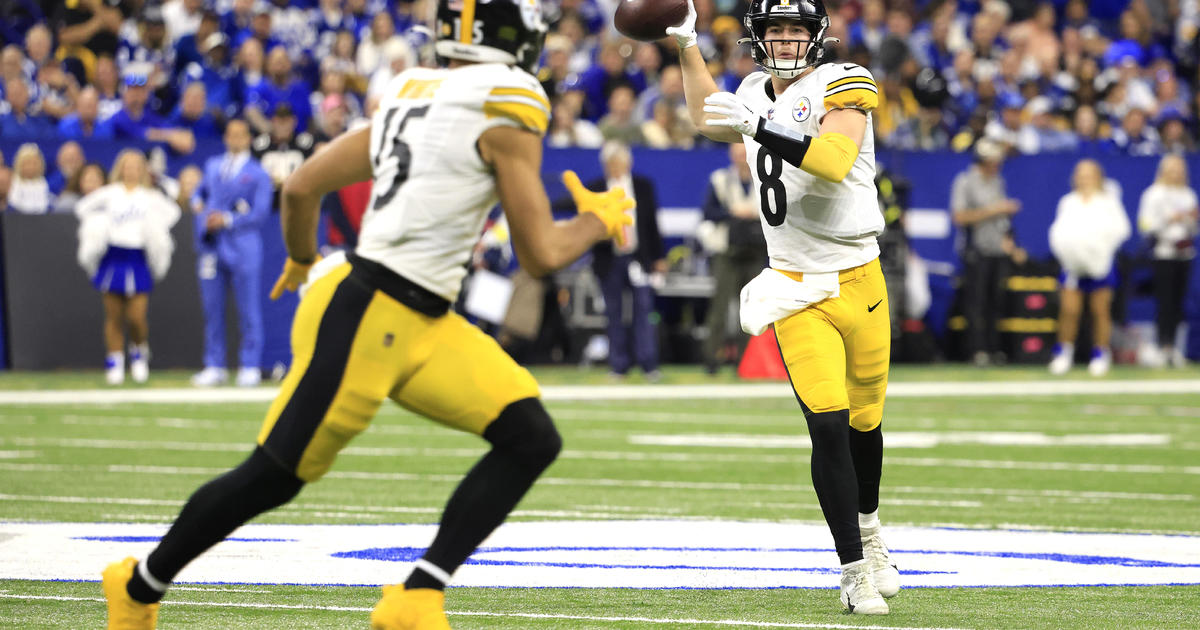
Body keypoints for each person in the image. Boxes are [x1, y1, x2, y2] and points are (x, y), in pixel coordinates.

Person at [102, 0, 633, 628]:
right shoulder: (508, 102)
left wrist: (301, 259)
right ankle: (137, 588)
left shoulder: (412, 90)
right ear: (512, 38)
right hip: (372, 313)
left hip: (422, 317)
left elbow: (301, 186)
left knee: (530, 436)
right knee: (272, 477)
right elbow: (541, 253)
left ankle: (417, 595)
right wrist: (598, 222)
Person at [671, 0, 897, 614]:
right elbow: (702, 116)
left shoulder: (843, 80)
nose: (788, 39)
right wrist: (686, 43)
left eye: (797, 28)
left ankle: (872, 530)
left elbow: (832, 162)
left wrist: (758, 127)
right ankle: (852, 569)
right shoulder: (750, 90)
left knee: (865, 422)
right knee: (826, 419)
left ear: (817, 35)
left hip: (860, 277)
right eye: (776, 29)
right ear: (758, 37)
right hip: (797, 286)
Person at [75, 149, 180, 385]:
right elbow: (82, 209)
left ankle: (139, 353)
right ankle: (114, 360)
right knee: (113, 316)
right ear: (120, 168)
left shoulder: (150, 196)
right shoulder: (109, 194)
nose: (131, 170)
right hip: (113, 256)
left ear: (143, 170)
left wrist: (154, 232)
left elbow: (173, 213)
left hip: (137, 257)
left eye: (136, 165)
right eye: (127, 165)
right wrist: (99, 228)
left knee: (136, 317)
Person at [189, 119, 273, 388]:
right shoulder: (213, 166)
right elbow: (198, 192)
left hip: (243, 245)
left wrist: (226, 219)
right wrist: (198, 205)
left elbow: (260, 212)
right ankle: (214, 364)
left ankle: (250, 364)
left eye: (240, 135)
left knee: (248, 308)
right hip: (213, 245)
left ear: (248, 138)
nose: (235, 139)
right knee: (212, 308)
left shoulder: (258, 173)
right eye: (231, 134)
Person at [584, 141, 664, 379]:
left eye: (619, 163)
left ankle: (648, 364)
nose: (615, 168)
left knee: (643, 309)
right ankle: (618, 365)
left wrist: (658, 257)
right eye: (611, 164)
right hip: (610, 259)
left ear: (628, 163)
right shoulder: (597, 189)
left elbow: (651, 224)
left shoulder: (642, 186)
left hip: (638, 257)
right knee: (613, 313)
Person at [1047, 159, 1131, 376]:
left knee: (1100, 311)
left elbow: (1121, 230)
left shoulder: (1108, 202)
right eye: (1080, 174)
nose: (1084, 179)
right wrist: (1070, 254)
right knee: (1069, 310)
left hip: (1100, 266)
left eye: (1089, 174)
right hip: (1072, 265)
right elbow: (1059, 233)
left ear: (1098, 177)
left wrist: (1099, 253)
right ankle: (1063, 353)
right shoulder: (1068, 202)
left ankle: (1100, 354)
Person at [950, 138, 1023, 366]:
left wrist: (1010, 242)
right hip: (976, 250)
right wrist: (995, 210)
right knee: (976, 301)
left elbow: (1002, 221)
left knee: (996, 301)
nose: (998, 164)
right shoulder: (965, 181)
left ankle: (993, 348)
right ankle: (976, 349)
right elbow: (960, 217)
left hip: (997, 249)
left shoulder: (997, 181)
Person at [698, 142, 766, 374]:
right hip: (727, 250)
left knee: (752, 309)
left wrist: (753, 214)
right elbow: (707, 212)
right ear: (731, 155)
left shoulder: (764, 177)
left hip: (755, 250)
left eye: (745, 153)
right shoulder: (719, 179)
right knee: (720, 307)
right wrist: (733, 213)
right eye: (738, 154)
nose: (742, 157)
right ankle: (711, 360)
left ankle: (746, 361)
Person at [1137, 153, 1198, 368]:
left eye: (1179, 169)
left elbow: (1194, 227)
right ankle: (1163, 347)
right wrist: (1167, 219)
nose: (1176, 173)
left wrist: (1190, 221)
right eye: (1172, 169)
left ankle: (1175, 348)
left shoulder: (1188, 194)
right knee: (1165, 302)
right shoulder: (1153, 194)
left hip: (1184, 253)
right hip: (1163, 253)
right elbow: (1145, 225)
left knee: (1179, 302)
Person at [5, 143, 53, 214]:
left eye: (34, 163)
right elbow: (13, 203)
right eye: (27, 163)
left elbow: (45, 205)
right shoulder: (14, 182)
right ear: (20, 164)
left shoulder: (42, 183)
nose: (31, 167)